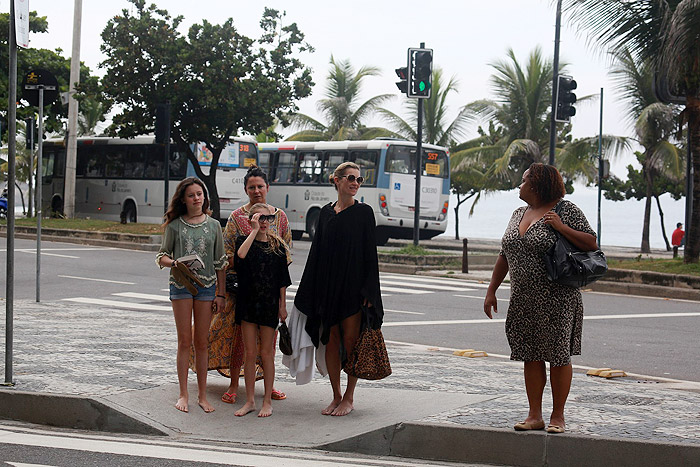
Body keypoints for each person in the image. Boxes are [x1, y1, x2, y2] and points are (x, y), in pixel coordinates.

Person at [483, 163, 598, 434]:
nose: (519, 186)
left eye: (523, 181)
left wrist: (561, 227)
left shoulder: (565, 210)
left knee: (558, 356)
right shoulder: (518, 213)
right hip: (523, 298)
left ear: (537, 184)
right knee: (529, 354)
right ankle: (534, 415)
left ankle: (558, 416)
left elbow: (591, 243)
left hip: (558, 297)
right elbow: (505, 254)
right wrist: (492, 289)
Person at [294, 162, 384, 416]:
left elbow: (370, 254)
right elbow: (316, 253)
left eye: (359, 179)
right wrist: (309, 291)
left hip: (354, 288)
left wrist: (369, 292)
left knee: (351, 341)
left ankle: (349, 397)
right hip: (328, 286)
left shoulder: (364, 212)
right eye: (350, 178)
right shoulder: (325, 213)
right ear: (336, 181)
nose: (355, 183)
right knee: (330, 341)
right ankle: (335, 395)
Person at [206, 165, 292, 404]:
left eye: (260, 186)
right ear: (245, 189)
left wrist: (280, 298)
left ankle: (268, 385)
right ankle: (234, 385)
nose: (256, 191)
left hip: (269, 292)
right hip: (241, 289)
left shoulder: (280, 217)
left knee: (268, 344)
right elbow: (226, 257)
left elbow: (285, 257)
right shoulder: (236, 218)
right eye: (251, 187)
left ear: (267, 188)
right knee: (239, 342)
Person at [156, 177, 227, 413]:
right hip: (181, 286)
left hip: (207, 288)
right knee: (184, 340)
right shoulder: (175, 225)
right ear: (183, 200)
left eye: (200, 194)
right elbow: (161, 256)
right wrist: (175, 262)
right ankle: (183, 394)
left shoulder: (215, 225)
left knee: (202, 342)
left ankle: (203, 396)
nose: (197, 198)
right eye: (191, 195)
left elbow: (220, 263)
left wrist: (221, 294)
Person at [233, 203, 291, 417]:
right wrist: (254, 230)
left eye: (269, 218)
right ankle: (249, 400)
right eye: (261, 218)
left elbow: (282, 280)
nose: (266, 222)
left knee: (267, 354)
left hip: (268, 304)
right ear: (252, 220)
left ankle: (267, 400)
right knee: (249, 354)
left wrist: (282, 306)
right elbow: (240, 256)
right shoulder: (244, 241)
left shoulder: (277, 246)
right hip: (248, 302)